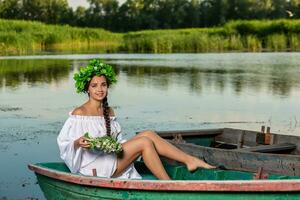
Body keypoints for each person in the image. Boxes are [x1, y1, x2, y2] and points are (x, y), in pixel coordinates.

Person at [57, 59, 215, 180]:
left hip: (111, 158)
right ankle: (168, 184)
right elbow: (65, 144)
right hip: (95, 168)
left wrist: (119, 146)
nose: (100, 89)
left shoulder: (109, 111)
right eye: (94, 85)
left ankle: (190, 160)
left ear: (108, 86)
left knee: (148, 134)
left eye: (103, 85)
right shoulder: (80, 112)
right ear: (87, 88)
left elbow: (115, 142)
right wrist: (78, 142)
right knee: (144, 143)